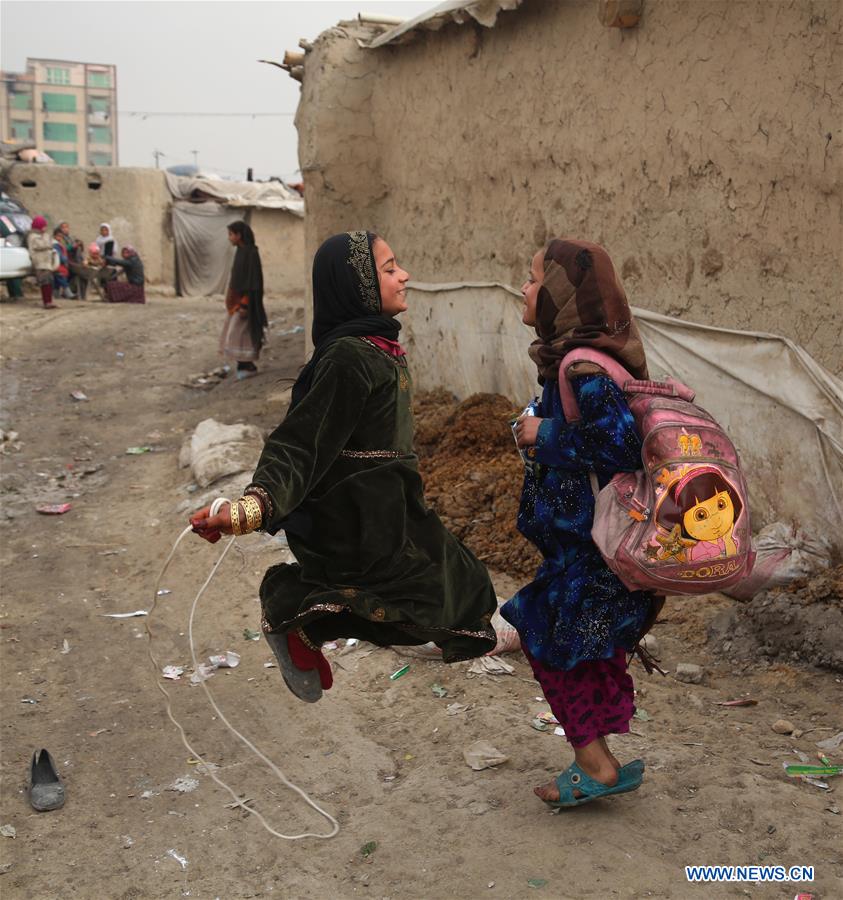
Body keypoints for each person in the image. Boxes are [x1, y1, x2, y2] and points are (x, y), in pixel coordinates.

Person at [190, 230, 497, 702]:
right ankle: (290, 602)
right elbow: (300, 443)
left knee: (468, 592)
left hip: (396, 509)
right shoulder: (348, 357)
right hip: (358, 521)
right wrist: (250, 509)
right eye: (390, 267)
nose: (404, 274)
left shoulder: (379, 348)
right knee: (436, 600)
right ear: (357, 286)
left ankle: (303, 621)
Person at [502, 238, 661, 809]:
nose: (523, 289)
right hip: (582, 547)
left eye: (532, 278)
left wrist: (540, 435)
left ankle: (596, 764)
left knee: (543, 636)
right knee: (578, 648)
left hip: (592, 549)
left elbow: (618, 442)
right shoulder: (580, 357)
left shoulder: (584, 363)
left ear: (563, 295)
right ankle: (592, 760)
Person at [219, 221, 267, 379]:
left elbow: (254, 281)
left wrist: (245, 303)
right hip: (236, 303)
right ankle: (243, 365)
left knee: (241, 334)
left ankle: (248, 365)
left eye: (231, 234)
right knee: (234, 333)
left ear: (239, 235)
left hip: (246, 303)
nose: (229, 238)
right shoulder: (240, 252)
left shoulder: (251, 253)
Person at [26, 216, 57, 309]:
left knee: (49, 282)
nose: (45, 228)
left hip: (47, 262)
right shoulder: (33, 236)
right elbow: (41, 245)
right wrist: (48, 242)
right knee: (45, 282)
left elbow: (50, 243)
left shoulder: (45, 235)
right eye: (43, 226)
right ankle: (47, 302)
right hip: (40, 262)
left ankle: (49, 301)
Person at [52, 226, 75, 298]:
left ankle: (56, 294)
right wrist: (65, 260)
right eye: (58, 236)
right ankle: (68, 293)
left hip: (59, 264)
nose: (60, 238)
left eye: (61, 236)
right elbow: (59, 255)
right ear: (55, 236)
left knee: (57, 281)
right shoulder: (55, 245)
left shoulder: (59, 244)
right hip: (57, 264)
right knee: (61, 278)